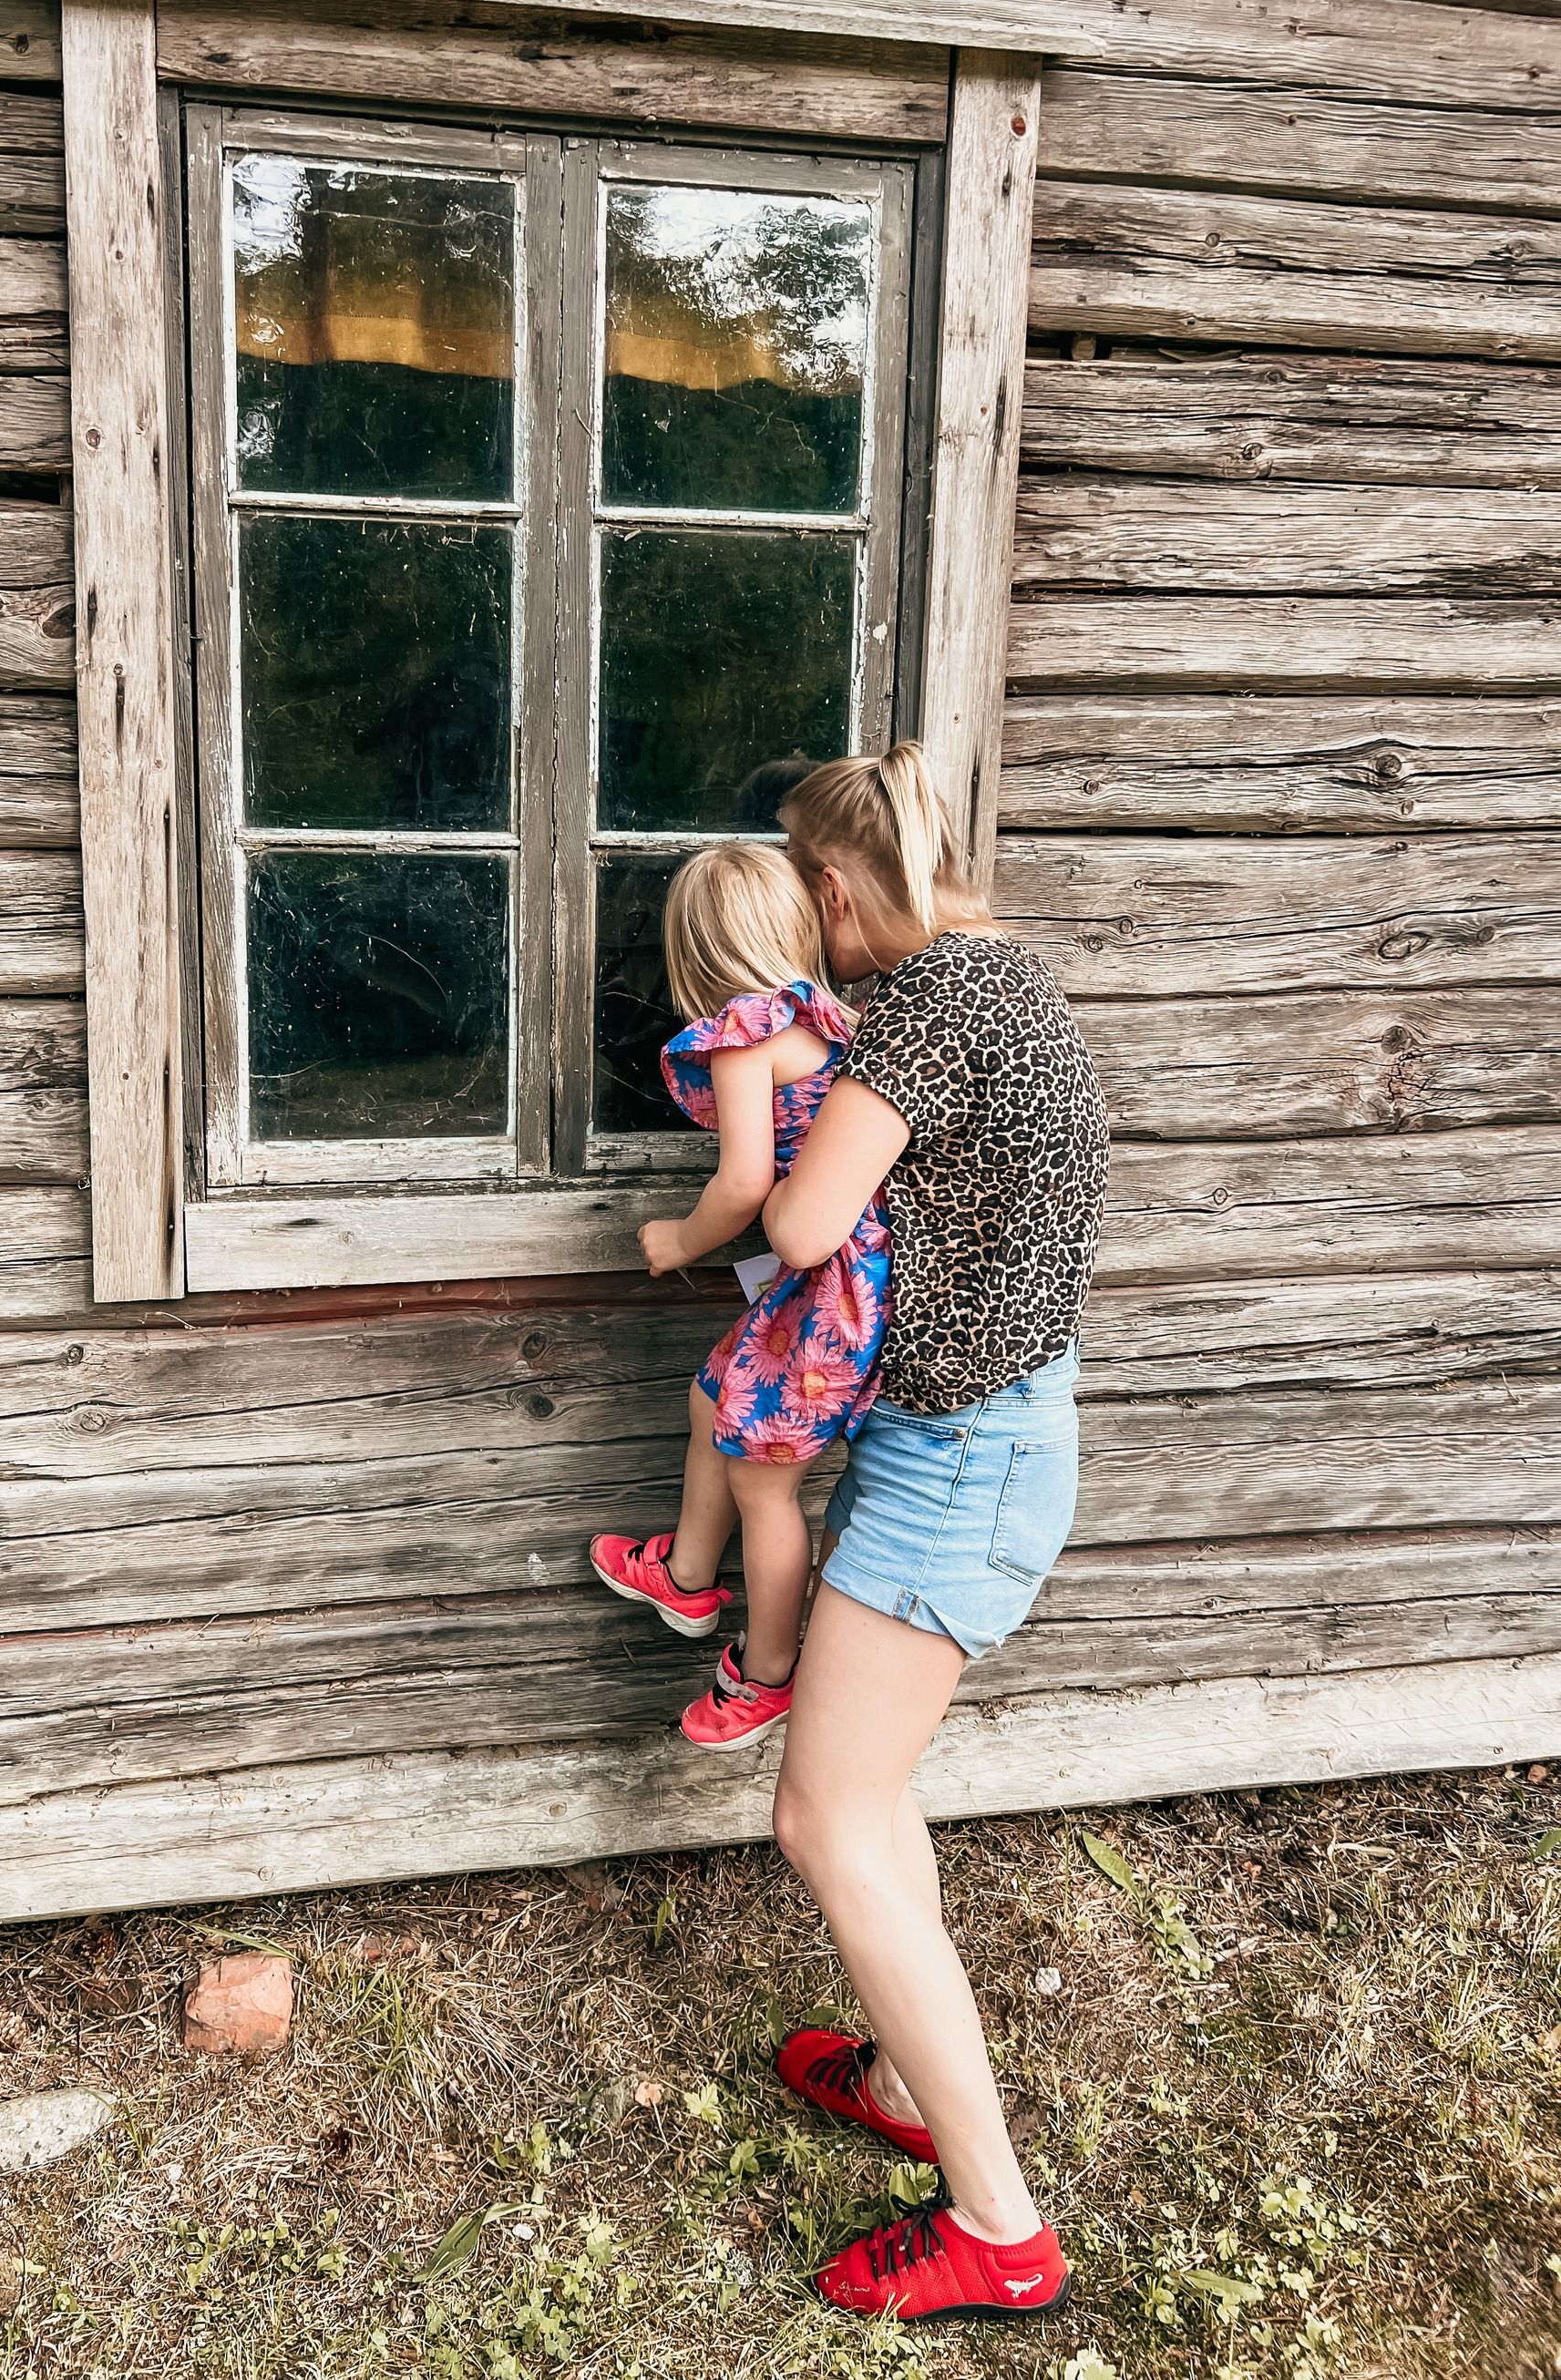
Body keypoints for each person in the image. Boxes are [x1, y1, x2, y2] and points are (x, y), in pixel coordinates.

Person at [759, 740, 1109, 2324]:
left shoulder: (916, 1012)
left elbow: (801, 1224)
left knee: (823, 1819)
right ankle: (902, 2077)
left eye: (801, 899)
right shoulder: (1015, 984)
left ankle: (995, 2225)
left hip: (954, 1459)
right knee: (867, 1793)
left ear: (838, 890)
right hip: (1000, 1433)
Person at [589, 843, 891, 1751]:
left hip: (823, 1285)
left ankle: (765, 1675)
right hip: (843, 1279)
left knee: (765, 1484)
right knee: (711, 1396)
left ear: (694, 949)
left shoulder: (743, 1035)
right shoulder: (829, 1024)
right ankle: (685, 1576)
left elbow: (741, 1182)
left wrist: (676, 1241)